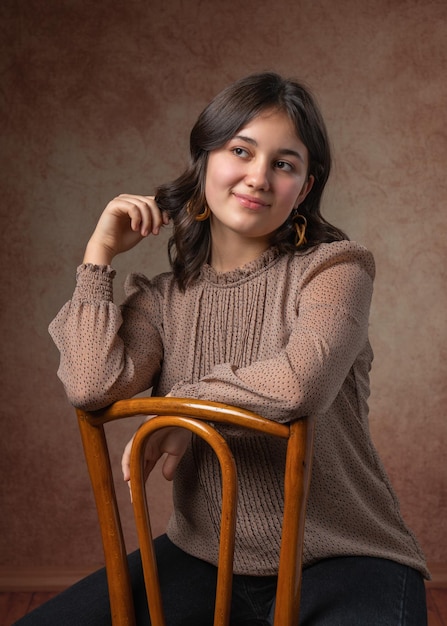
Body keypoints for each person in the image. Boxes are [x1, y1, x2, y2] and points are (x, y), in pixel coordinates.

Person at [17, 72, 429, 625]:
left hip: (344, 556)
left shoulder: (336, 269)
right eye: (241, 150)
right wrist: (98, 258)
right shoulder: (162, 300)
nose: (258, 177)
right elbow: (91, 384)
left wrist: (179, 409)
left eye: (284, 164)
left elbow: (300, 382)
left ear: (303, 188)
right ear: (205, 161)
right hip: (205, 558)